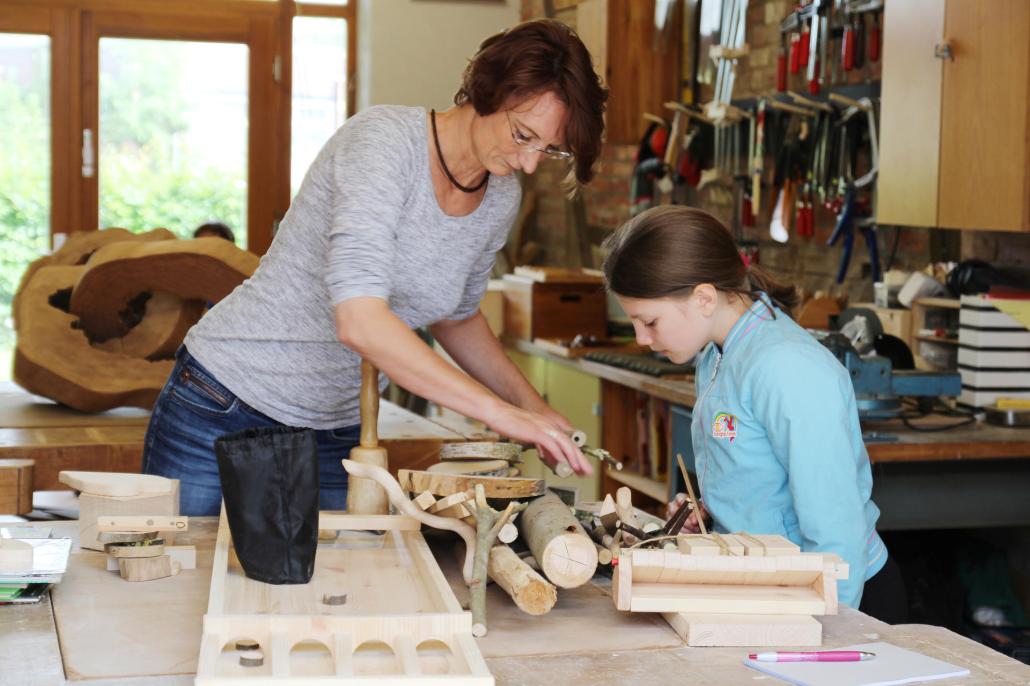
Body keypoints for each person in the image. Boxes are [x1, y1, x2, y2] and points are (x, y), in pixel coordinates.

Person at [142, 19, 607, 516]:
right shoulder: (384, 144)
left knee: (325, 591)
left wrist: (533, 409)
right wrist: (500, 415)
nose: (531, 162)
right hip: (224, 402)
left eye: (548, 149)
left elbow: (456, 314)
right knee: (180, 586)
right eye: (523, 135)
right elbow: (359, 319)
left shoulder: (499, 196)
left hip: (334, 430)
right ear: (487, 91)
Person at [602, 205, 907, 623]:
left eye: (649, 321)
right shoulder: (715, 353)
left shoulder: (788, 369)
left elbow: (837, 529)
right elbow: (757, 470)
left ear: (704, 298)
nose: (641, 338)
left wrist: (831, 633)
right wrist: (714, 510)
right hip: (768, 586)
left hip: (834, 599)